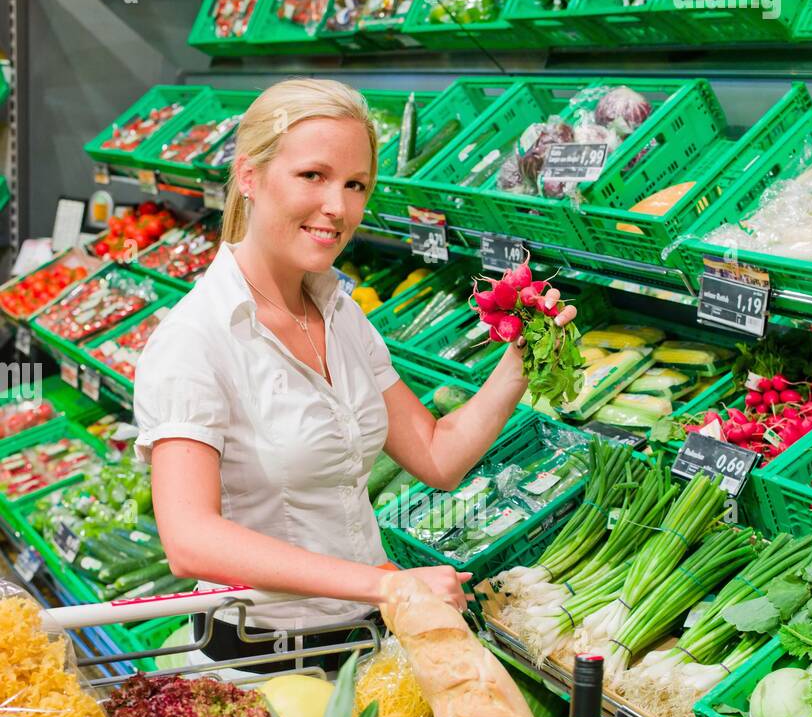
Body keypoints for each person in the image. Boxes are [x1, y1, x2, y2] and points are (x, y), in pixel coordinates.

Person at [133, 78, 576, 671]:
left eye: (355, 185)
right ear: (249, 177)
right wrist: (385, 585)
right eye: (312, 176)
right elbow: (190, 540)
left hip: (364, 636)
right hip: (260, 653)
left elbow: (437, 456)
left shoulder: (340, 315)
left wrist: (522, 357)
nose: (337, 208)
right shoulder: (196, 340)